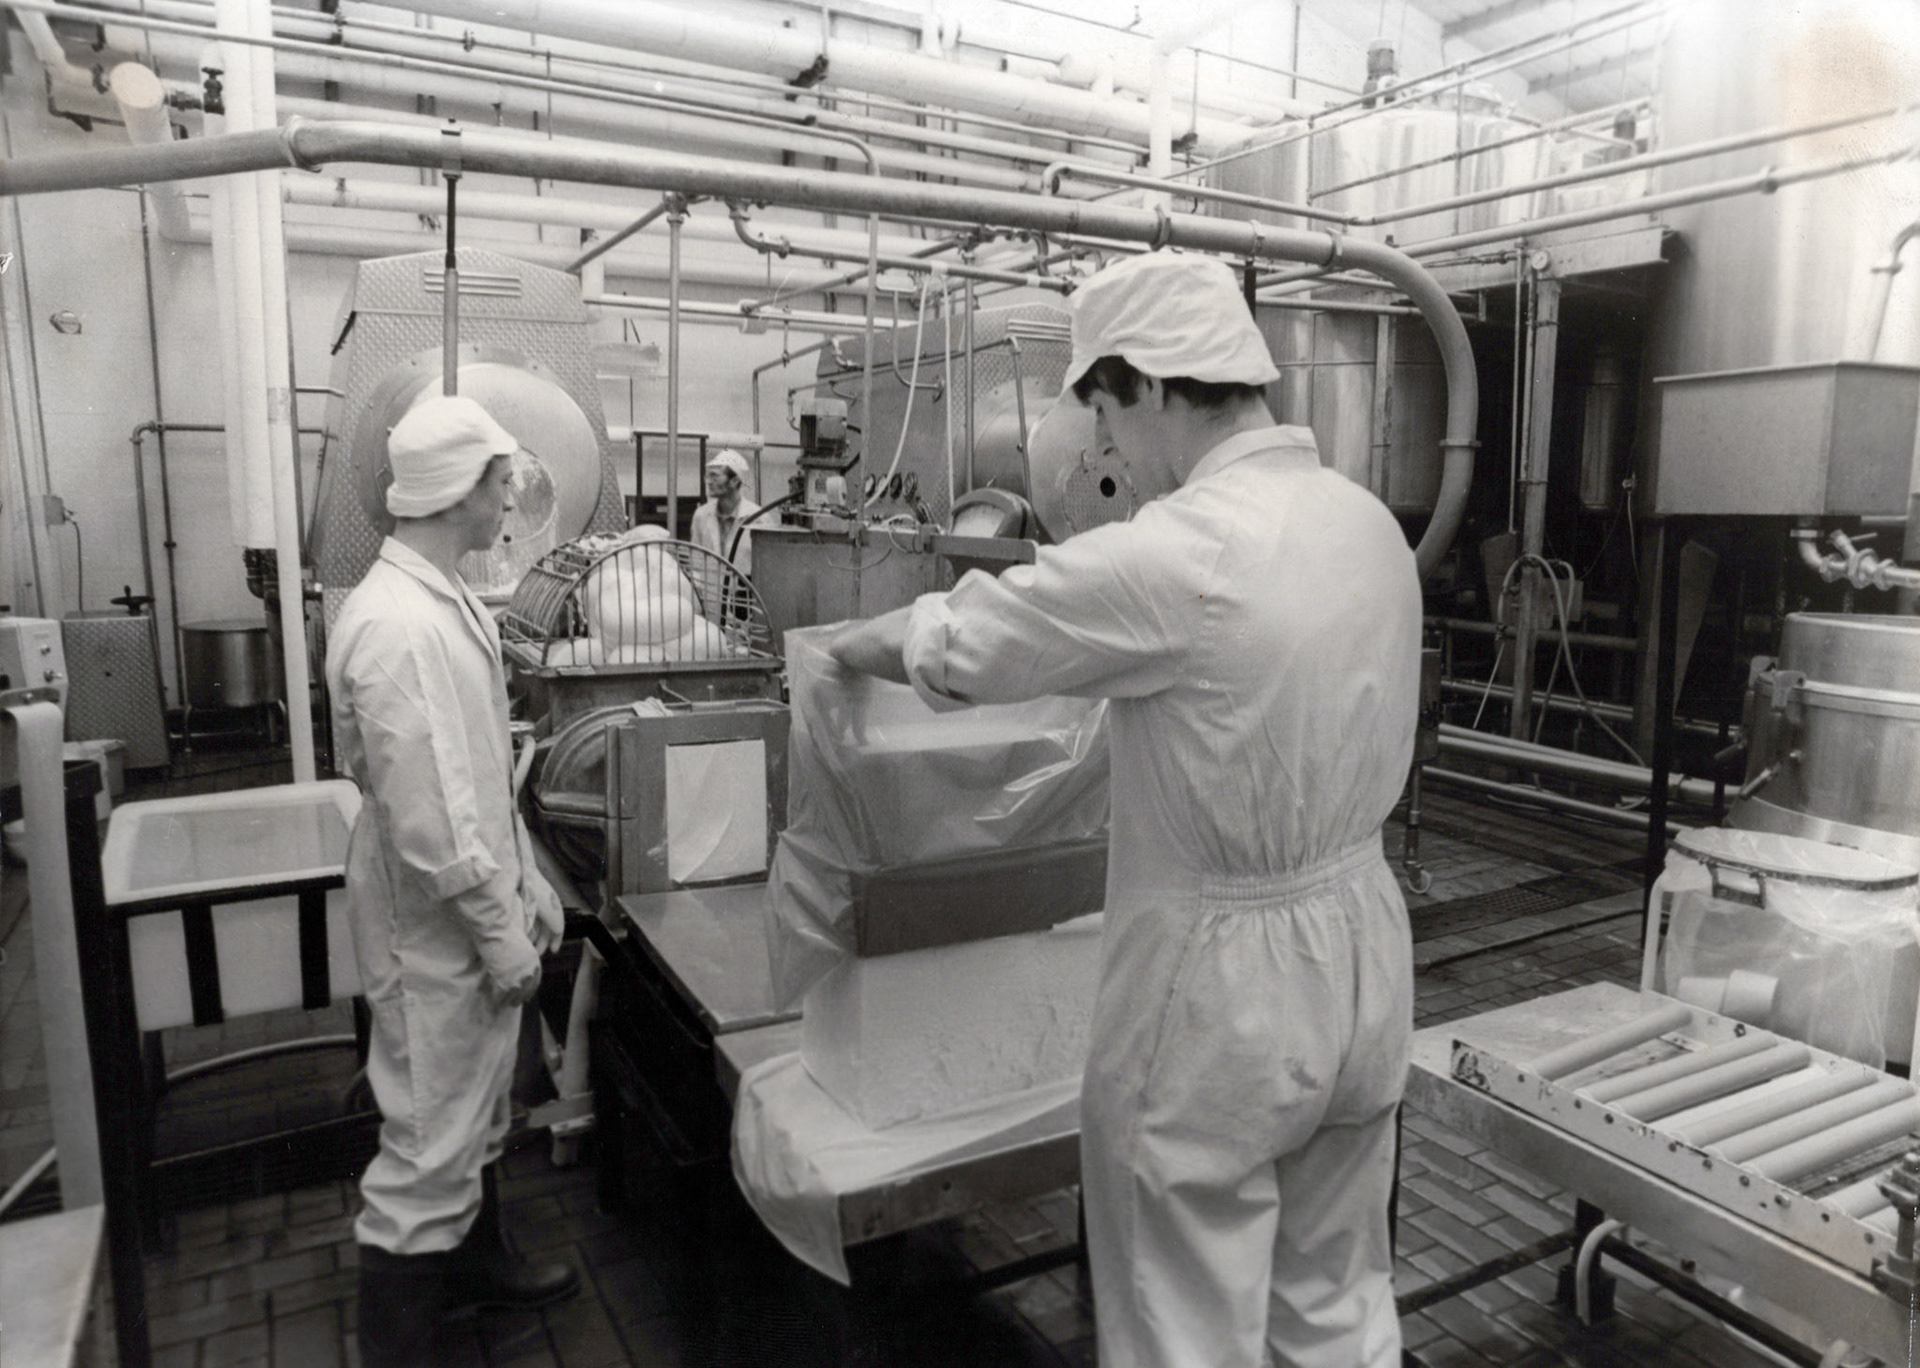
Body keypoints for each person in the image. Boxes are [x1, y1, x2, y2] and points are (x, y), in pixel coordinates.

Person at [830, 251, 1421, 1368]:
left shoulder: (1182, 553)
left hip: (1217, 1004)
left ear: (1147, 383)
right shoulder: (1367, 526)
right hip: (1365, 959)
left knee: (1181, 1324)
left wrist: (837, 652)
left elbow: (968, 637)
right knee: (1337, 1308)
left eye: (1102, 412)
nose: (1104, 453)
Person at [328, 394, 579, 1368]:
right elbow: (432, 825)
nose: (512, 498)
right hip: (431, 926)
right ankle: (398, 1344)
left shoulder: (443, 597)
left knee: (473, 1112)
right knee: (429, 1135)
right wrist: (500, 931)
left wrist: (529, 880)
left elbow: (478, 772)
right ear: (460, 491)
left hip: (464, 911)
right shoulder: (398, 628)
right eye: (502, 480)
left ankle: (477, 1266)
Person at [688, 447, 761, 615]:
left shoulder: (758, 518)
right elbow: (696, 565)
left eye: (715, 475)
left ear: (734, 481)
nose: (708, 481)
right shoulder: (701, 516)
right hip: (709, 608)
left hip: (744, 612)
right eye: (708, 475)